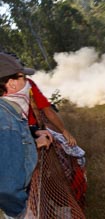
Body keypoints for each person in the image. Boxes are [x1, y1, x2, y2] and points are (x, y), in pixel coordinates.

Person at [0, 54, 51, 218]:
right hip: (16, 208)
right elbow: (6, 187)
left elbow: (10, 150)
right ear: (12, 84)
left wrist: (33, 138)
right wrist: (21, 213)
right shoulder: (7, 121)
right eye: (23, 77)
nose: (27, 83)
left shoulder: (7, 114)